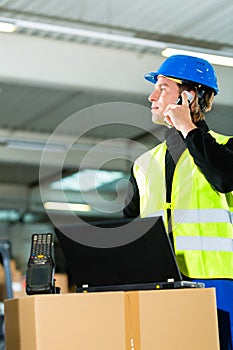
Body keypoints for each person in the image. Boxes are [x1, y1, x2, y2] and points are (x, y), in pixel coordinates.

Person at [123, 54, 233, 349]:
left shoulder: (227, 148)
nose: (151, 96)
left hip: (219, 284)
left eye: (162, 87)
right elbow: (128, 228)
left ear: (189, 95)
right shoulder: (144, 163)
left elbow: (223, 177)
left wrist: (188, 128)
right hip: (159, 284)